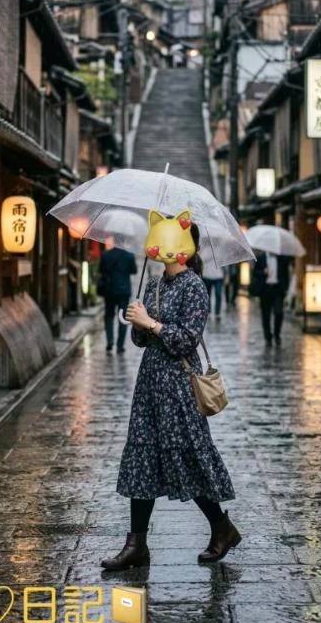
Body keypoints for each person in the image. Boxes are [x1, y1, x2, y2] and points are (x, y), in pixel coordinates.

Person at [101, 220, 240, 571]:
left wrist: (151, 323)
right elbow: (141, 341)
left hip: (179, 383)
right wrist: (137, 322)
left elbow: (187, 339)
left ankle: (221, 527)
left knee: (187, 456)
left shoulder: (194, 286)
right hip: (150, 383)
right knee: (141, 456)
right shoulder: (154, 283)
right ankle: (136, 544)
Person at [99, 242, 137, 354]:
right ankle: (120, 345)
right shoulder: (129, 255)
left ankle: (110, 340)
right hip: (123, 291)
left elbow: (101, 270)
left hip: (109, 290)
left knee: (109, 316)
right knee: (122, 317)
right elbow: (134, 270)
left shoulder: (106, 255)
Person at [251, 250, 290, 347]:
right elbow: (255, 272)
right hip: (265, 289)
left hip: (277, 289)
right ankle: (268, 336)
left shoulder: (281, 258)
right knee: (266, 315)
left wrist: (285, 288)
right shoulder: (261, 258)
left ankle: (277, 334)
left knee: (279, 312)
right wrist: (263, 272)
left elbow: (285, 274)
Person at [201, 249, 225, 318]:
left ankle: (217, 312)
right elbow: (201, 260)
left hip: (218, 276)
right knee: (208, 295)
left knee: (218, 294)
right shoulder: (205, 249)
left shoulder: (219, 250)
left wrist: (227, 275)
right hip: (207, 275)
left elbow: (223, 262)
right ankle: (209, 311)